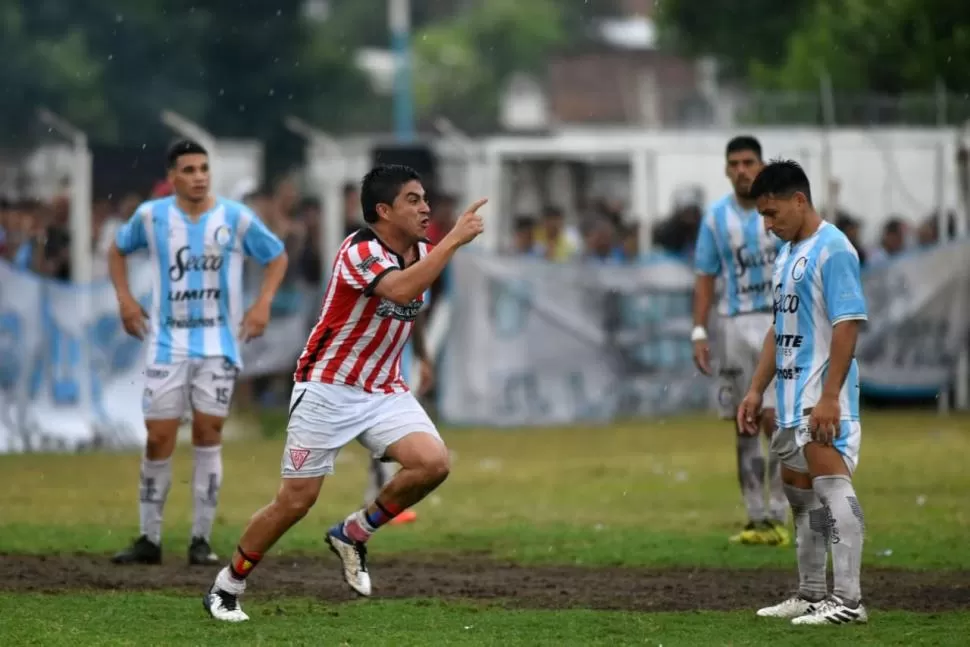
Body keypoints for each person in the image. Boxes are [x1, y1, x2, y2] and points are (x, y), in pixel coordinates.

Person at [202, 164, 486, 622]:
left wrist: (424, 355)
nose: (426, 207)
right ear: (383, 210)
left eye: (424, 198)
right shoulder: (359, 250)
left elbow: (409, 306)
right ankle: (226, 585)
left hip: (383, 389)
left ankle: (353, 532)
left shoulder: (422, 252)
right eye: (413, 199)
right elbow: (399, 288)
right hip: (328, 388)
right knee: (295, 501)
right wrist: (453, 239)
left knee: (433, 463)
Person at [108, 139, 288, 566]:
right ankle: (148, 539)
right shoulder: (152, 217)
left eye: (203, 168)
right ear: (172, 177)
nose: (198, 176)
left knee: (208, 436)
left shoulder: (234, 218)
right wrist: (126, 300)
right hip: (166, 346)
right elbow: (116, 250)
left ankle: (200, 541)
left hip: (218, 346)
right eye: (188, 170)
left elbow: (276, 256)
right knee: (159, 438)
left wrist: (261, 303)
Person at [739, 159, 869, 625]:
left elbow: (847, 324)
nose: (768, 225)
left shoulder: (834, 249)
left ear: (800, 200)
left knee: (832, 491)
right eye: (762, 217)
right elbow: (780, 328)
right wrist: (756, 390)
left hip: (821, 396)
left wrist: (831, 395)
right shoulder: (787, 253)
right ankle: (813, 593)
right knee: (801, 498)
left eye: (773, 214)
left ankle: (850, 601)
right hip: (790, 401)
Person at [692, 136, 789, 546]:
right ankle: (755, 518)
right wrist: (699, 331)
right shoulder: (715, 217)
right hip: (733, 326)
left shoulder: (782, 210)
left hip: (779, 320)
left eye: (749, 162)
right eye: (734, 163)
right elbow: (705, 276)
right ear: (726, 169)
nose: (742, 170)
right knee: (743, 422)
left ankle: (782, 514)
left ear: (762, 164)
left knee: (777, 421)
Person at [362, 300, 434, 524]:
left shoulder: (413, 267)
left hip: (392, 365)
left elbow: (416, 314)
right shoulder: (396, 267)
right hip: (375, 367)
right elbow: (416, 313)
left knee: (387, 433)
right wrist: (423, 359)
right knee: (386, 432)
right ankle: (382, 501)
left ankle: (376, 500)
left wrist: (422, 359)